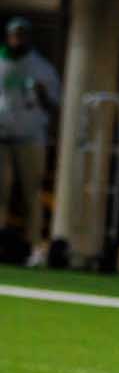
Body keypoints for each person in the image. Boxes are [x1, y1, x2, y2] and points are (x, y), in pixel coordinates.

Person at [0, 17, 61, 266]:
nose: (18, 39)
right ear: (8, 36)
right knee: (0, 192)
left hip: (31, 138)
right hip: (2, 137)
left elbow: (54, 104)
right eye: (15, 34)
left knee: (32, 194)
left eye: (23, 35)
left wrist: (41, 93)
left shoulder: (42, 68)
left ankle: (35, 247)